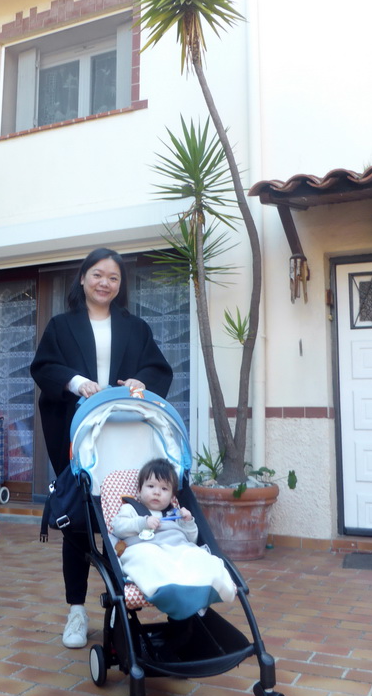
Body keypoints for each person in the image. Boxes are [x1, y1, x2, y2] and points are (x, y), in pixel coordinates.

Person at [30, 247, 173, 648]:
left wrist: (140, 383)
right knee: (77, 521)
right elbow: (43, 367)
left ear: (120, 285)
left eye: (113, 277)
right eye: (97, 274)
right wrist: (76, 382)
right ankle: (76, 610)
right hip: (77, 435)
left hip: (124, 438)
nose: (104, 283)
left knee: (121, 515)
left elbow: (158, 368)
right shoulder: (61, 325)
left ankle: (124, 601)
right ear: (82, 278)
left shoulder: (135, 327)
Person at [110, 458, 236, 618]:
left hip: (177, 549)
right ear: (140, 489)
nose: (156, 492)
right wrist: (142, 522)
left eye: (164, 489)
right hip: (146, 548)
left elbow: (191, 540)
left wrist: (188, 522)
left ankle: (204, 587)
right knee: (150, 557)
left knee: (198, 555)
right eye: (150, 486)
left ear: (172, 495)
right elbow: (118, 527)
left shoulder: (174, 513)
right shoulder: (131, 509)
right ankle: (171, 591)